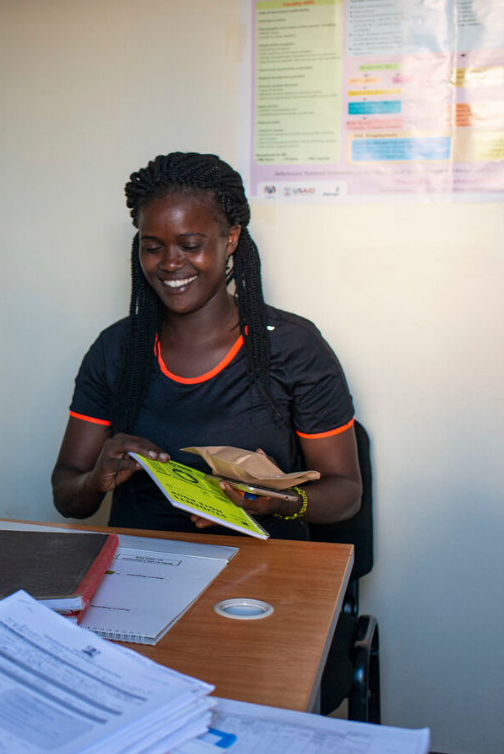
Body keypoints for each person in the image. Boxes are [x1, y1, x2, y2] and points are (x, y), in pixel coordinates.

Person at [51, 152, 362, 539]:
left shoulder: (293, 347)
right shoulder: (117, 349)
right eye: (152, 247)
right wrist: (96, 478)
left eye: (190, 244)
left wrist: (276, 502)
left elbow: (346, 492)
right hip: (143, 567)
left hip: (262, 575)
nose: (169, 263)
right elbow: (67, 495)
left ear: (229, 239)